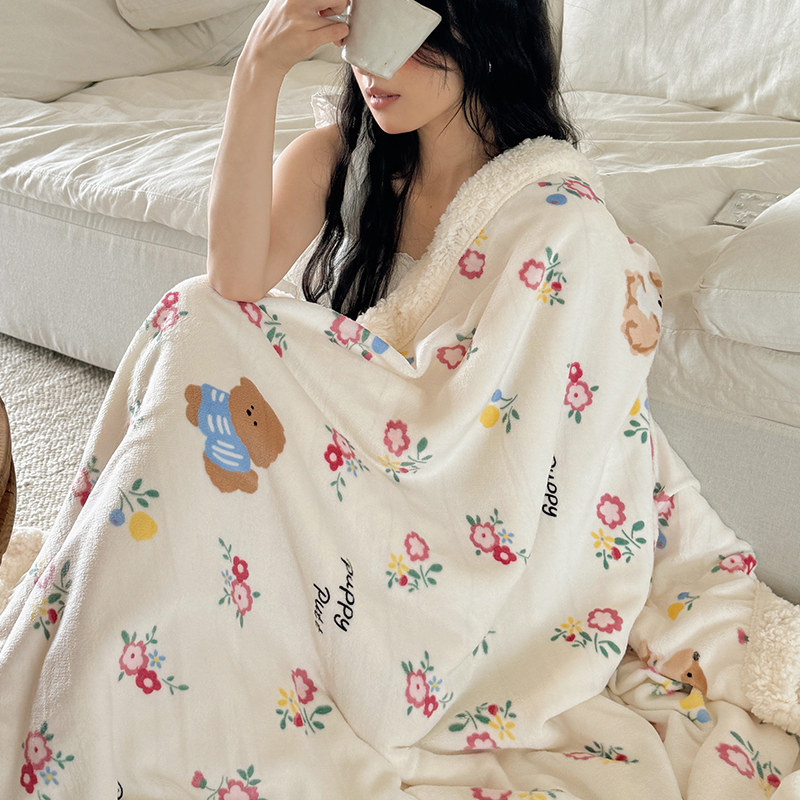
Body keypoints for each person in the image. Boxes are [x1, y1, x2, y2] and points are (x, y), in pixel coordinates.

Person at [1, 1, 799, 798]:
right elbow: (232, 284)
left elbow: (521, 447)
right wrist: (257, 70)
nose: (371, 67)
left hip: (453, 544)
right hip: (355, 488)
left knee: (201, 338)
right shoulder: (339, 158)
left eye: (405, 40)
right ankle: (105, 663)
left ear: (478, 36)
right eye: (357, 32)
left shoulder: (559, 223)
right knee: (195, 323)